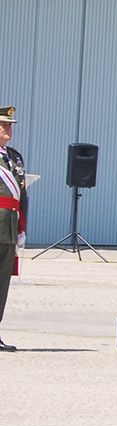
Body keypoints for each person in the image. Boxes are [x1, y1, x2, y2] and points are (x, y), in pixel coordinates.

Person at [0, 105, 28, 351]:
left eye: (9, 125)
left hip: (8, 227)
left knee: (1, 282)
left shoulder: (15, 156)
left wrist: (22, 227)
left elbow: (22, 195)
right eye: (4, 125)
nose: (8, 128)